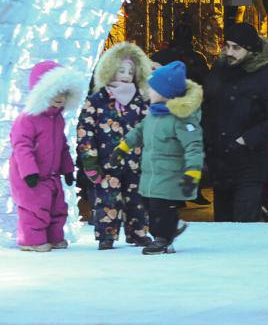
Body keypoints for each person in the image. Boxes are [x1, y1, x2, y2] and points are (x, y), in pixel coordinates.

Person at [109, 61, 204, 255]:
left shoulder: (181, 118)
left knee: (161, 209)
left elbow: (194, 146)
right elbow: (139, 131)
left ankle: (162, 239)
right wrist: (123, 147)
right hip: (152, 173)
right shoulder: (153, 114)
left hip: (171, 174)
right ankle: (171, 226)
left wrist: (192, 172)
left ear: (165, 93)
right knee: (148, 204)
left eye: (152, 90)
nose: (148, 93)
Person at [202, 23, 268, 222]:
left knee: (244, 223)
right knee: (222, 224)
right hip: (220, 160)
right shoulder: (220, 69)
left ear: (250, 50)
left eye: (236, 48)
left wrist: (247, 139)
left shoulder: (267, 75)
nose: (229, 52)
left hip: (248, 162)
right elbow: (208, 106)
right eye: (227, 46)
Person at [77, 42, 152, 249]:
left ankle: (138, 233)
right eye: (121, 70)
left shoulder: (141, 100)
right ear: (109, 70)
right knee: (107, 200)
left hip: (136, 163)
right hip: (106, 162)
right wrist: (89, 160)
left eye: (130, 71)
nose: (126, 76)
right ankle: (106, 236)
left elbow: (150, 128)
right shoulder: (97, 100)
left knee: (136, 199)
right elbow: (86, 130)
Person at [9, 61, 86, 252]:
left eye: (64, 93)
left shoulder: (57, 118)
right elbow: (21, 146)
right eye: (55, 92)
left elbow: (62, 146)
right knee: (35, 209)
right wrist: (29, 172)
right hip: (30, 176)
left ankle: (54, 238)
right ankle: (32, 240)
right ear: (41, 91)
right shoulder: (27, 118)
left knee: (57, 208)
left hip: (51, 175)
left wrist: (67, 169)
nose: (60, 98)